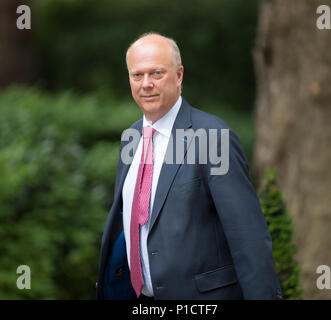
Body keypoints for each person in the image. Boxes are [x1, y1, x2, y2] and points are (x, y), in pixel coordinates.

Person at [96, 32, 283, 300]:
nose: (146, 84)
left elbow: (248, 237)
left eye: (156, 73)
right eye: (137, 75)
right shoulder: (132, 137)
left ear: (179, 75)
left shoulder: (212, 137)